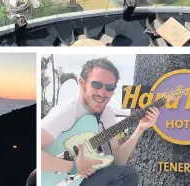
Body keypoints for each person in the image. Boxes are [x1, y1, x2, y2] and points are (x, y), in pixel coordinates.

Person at [42, 58, 158, 186]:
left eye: (109, 87)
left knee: (126, 174)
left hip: (82, 179)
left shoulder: (107, 114)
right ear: (82, 83)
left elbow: (118, 161)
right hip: (56, 180)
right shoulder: (67, 110)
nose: (102, 93)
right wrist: (73, 167)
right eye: (96, 85)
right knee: (127, 175)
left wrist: (139, 129)